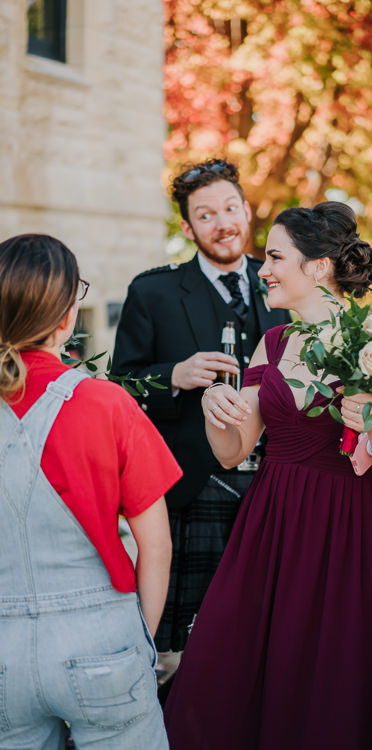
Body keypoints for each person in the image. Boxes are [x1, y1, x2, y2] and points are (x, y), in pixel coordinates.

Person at [164, 202, 372, 750]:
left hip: (349, 537)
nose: (262, 269)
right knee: (226, 669)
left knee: (330, 681)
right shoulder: (274, 343)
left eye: (276, 256)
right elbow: (234, 453)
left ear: (318, 267)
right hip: (271, 532)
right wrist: (218, 412)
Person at [0, 234, 182, 750]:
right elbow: (157, 547)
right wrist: (140, 642)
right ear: (65, 317)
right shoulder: (106, 403)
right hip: (101, 637)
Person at [111, 158, 290, 657]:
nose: (224, 222)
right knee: (202, 630)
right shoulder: (153, 291)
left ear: (247, 211)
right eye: (207, 214)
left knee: (270, 620)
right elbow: (121, 383)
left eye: (231, 208)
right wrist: (173, 374)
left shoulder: (281, 281)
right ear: (188, 227)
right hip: (196, 483)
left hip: (280, 477)